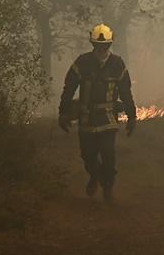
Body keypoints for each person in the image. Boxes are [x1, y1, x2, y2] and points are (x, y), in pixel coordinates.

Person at [58, 23, 136, 203]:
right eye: (98, 45)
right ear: (93, 44)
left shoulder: (117, 64)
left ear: (110, 44)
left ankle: (108, 189)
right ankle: (94, 175)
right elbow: (68, 89)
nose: (102, 49)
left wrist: (132, 116)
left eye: (105, 46)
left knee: (108, 155)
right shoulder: (82, 62)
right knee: (88, 156)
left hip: (108, 119)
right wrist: (63, 113)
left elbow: (126, 92)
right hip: (86, 119)